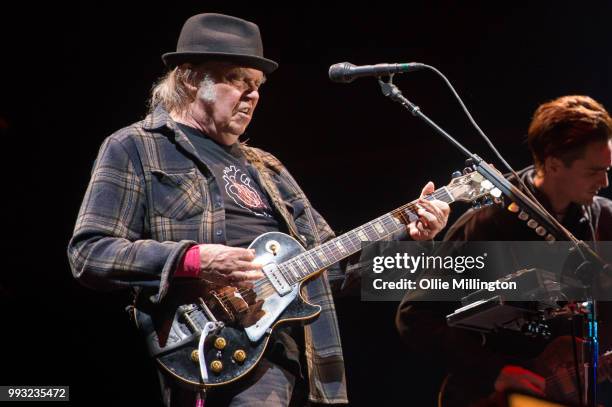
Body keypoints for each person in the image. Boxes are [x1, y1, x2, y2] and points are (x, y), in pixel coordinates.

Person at [67, 13, 450, 407]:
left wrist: (410, 237)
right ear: (190, 79)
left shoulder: (268, 168)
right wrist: (194, 259)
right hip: (203, 347)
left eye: (257, 86)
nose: (253, 96)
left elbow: (335, 270)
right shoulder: (136, 146)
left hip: (295, 360)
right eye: (237, 80)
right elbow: (89, 253)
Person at [396, 95, 612, 406]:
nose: (605, 181)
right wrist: (495, 370)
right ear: (553, 163)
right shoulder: (485, 225)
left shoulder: (605, 222)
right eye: (593, 171)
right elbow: (415, 316)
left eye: (607, 169)